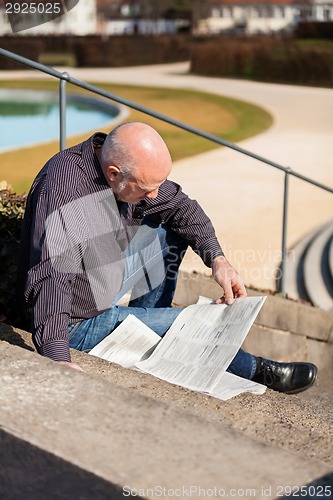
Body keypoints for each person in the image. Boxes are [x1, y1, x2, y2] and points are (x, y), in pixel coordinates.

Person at [17, 122, 317, 394]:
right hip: (76, 317)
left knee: (171, 230)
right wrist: (56, 355)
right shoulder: (66, 194)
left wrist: (218, 259)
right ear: (113, 173)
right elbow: (52, 276)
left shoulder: (121, 171)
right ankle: (258, 370)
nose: (155, 195)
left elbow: (182, 208)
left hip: (101, 273)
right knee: (201, 323)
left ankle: (151, 335)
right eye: (148, 189)